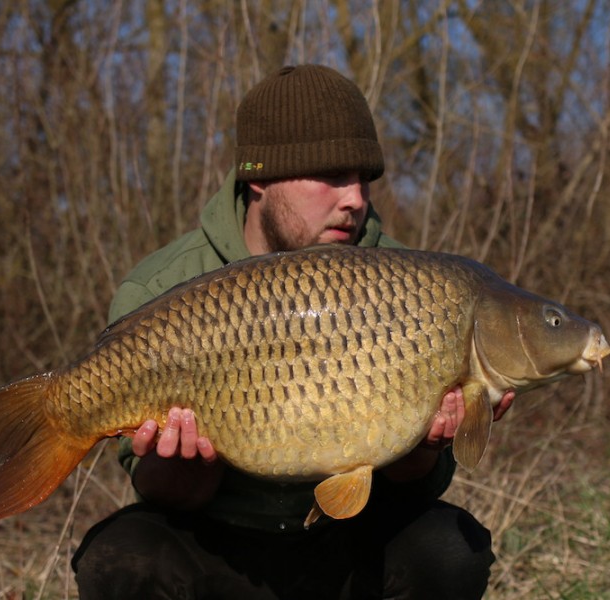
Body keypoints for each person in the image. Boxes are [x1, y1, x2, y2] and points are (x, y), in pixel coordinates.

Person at [72, 64, 514, 599]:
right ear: (259, 177)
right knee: (122, 557)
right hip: (219, 547)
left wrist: (423, 446)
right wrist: (180, 463)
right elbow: (162, 496)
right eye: (331, 175)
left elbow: (418, 487)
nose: (354, 198)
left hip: (346, 539)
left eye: (364, 178)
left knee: (450, 547)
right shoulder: (164, 287)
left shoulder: (411, 284)